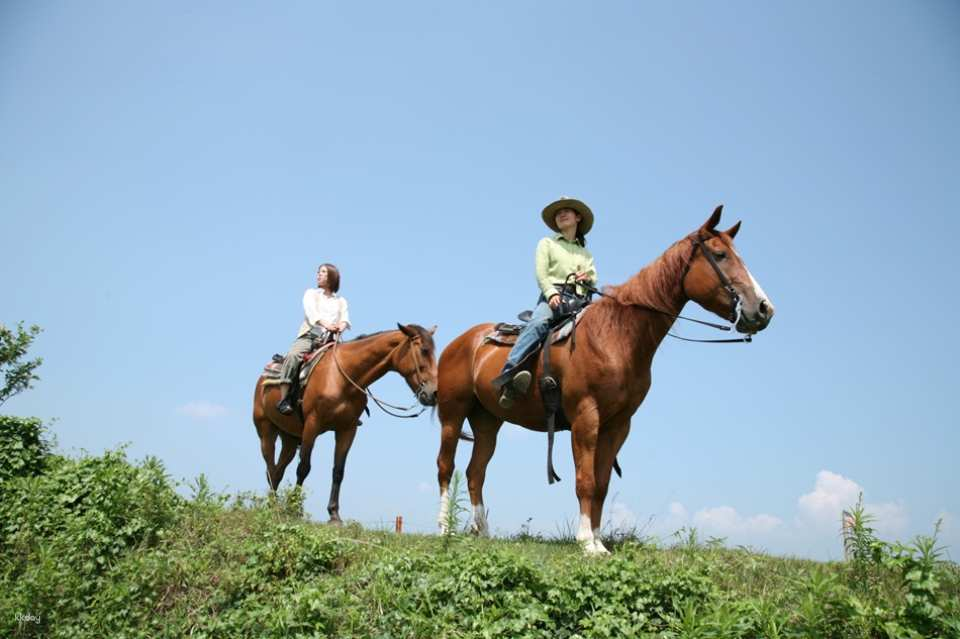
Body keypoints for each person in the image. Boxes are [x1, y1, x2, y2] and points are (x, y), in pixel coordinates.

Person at [493, 197, 598, 409]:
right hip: (554, 296)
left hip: (580, 300)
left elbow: (593, 277)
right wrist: (550, 293)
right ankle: (509, 374)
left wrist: (586, 279)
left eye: (567, 211)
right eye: (558, 213)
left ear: (578, 217)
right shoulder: (547, 243)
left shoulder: (585, 253)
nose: (561, 215)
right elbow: (541, 274)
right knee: (539, 323)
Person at [276, 263, 350, 415]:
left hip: (332, 340)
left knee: (350, 363)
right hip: (310, 336)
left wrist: (340, 327)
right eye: (318, 272)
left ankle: (349, 405)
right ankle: (284, 399)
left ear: (332, 277)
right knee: (292, 356)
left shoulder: (341, 301)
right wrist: (327, 325)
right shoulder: (311, 294)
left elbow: (345, 319)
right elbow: (312, 314)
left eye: (322, 272)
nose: (318, 275)